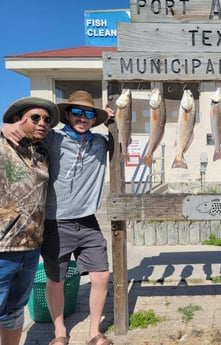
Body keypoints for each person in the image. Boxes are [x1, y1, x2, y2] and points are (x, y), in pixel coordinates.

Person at [2, 90, 114, 345]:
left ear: (93, 119)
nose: (82, 118)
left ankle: (94, 332)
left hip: (88, 222)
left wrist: (113, 119)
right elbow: (26, 133)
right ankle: (60, 332)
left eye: (88, 113)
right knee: (56, 280)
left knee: (101, 276)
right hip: (55, 223)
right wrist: (6, 127)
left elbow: (123, 137)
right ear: (67, 115)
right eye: (77, 112)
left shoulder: (100, 142)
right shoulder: (53, 138)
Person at [0, 96, 59, 345]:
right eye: (35, 117)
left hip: (30, 248)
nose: (42, 122)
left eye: (47, 119)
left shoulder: (42, 153)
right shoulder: (3, 146)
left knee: (14, 312)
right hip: (3, 249)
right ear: (17, 119)